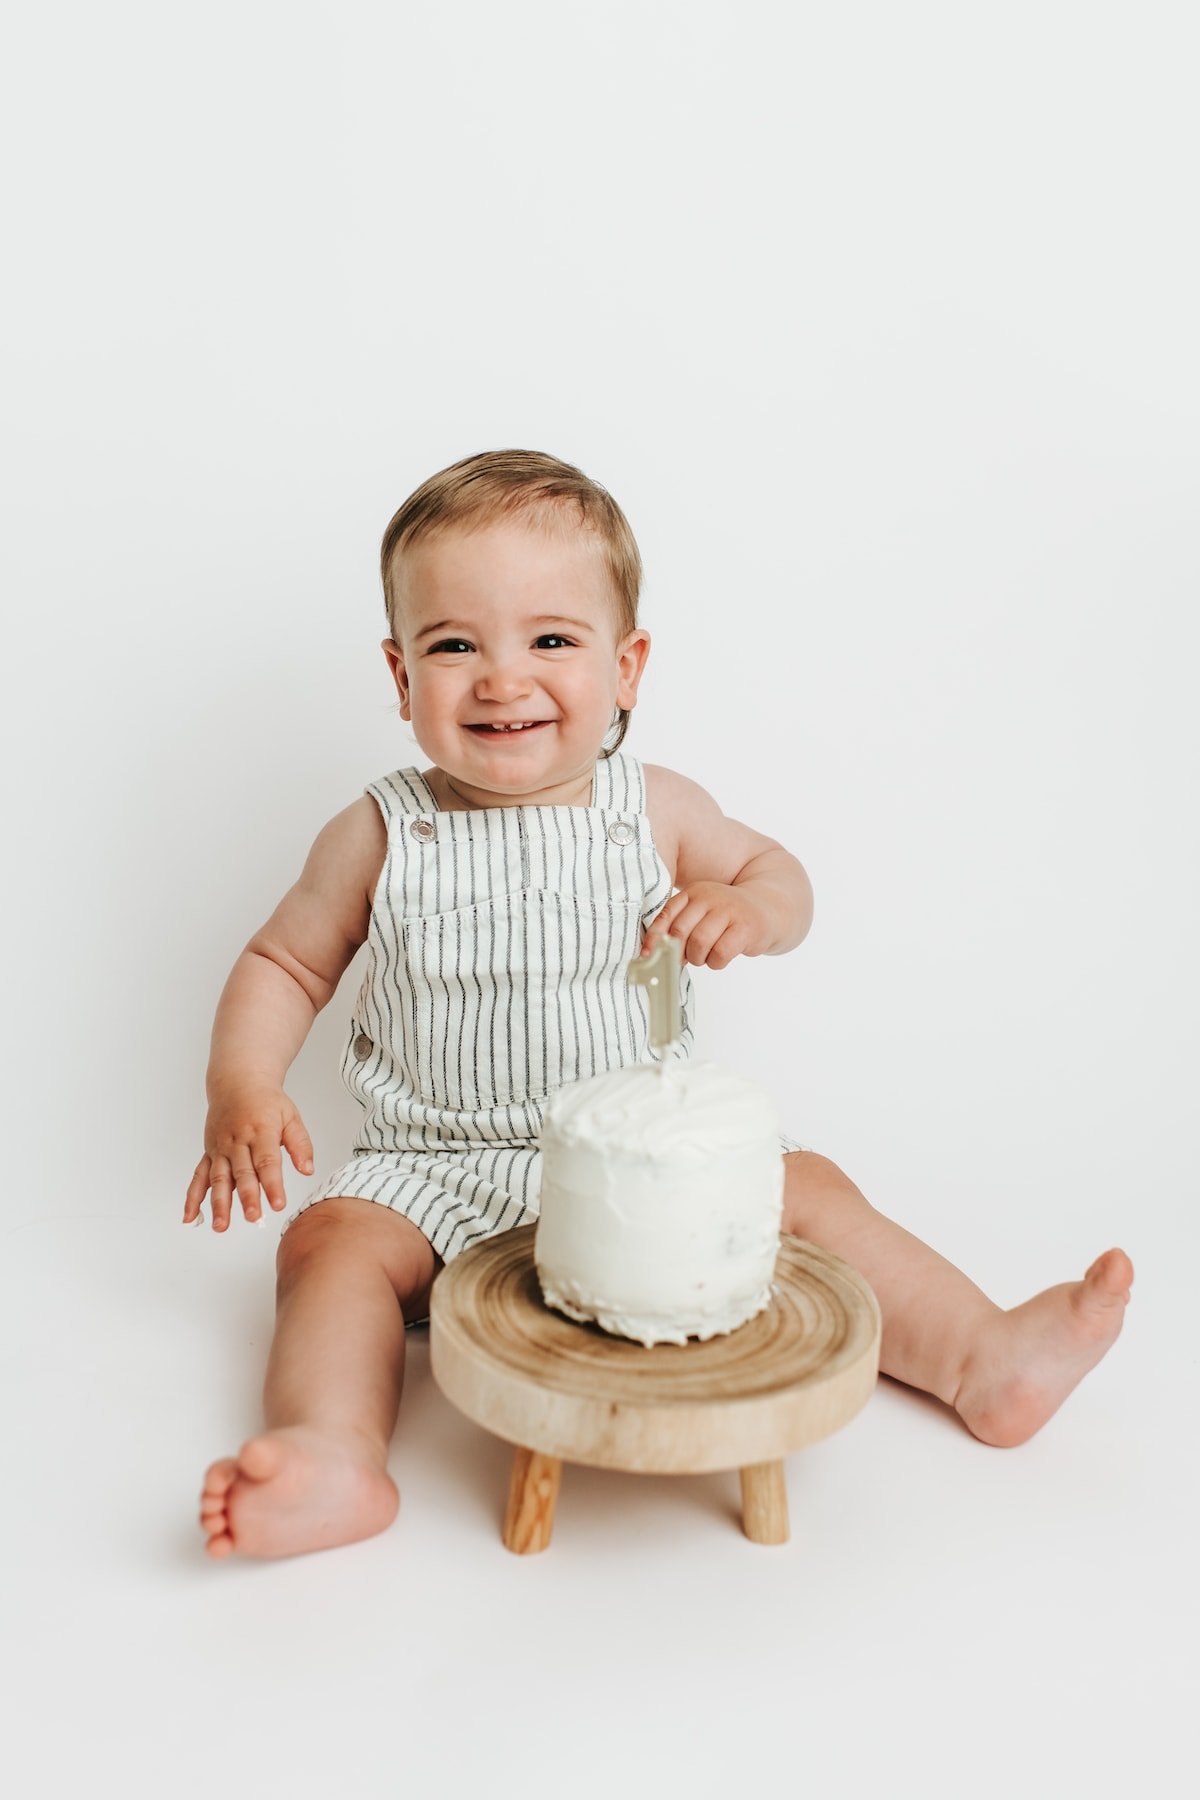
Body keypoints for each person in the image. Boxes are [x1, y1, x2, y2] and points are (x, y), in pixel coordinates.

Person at [186, 448, 1133, 1560]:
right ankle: (334, 1454)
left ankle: (983, 1359)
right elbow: (285, 964)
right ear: (400, 679)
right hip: (431, 1161)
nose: (502, 678)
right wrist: (240, 1082)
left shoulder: (659, 810)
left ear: (626, 666)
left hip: (653, 1147)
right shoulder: (381, 831)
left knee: (809, 1190)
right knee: (327, 1250)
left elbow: (785, 878)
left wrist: (749, 908)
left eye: (551, 639)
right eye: (455, 645)